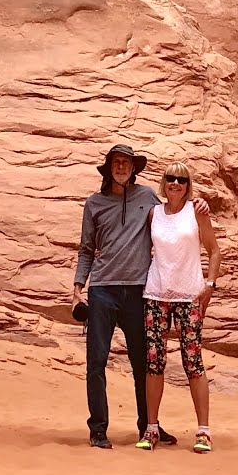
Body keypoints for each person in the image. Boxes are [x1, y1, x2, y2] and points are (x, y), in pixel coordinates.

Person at [73, 143, 206, 449]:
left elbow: (174, 211)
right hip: (103, 290)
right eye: (116, 162)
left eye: (127, 163)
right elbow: (86, 249)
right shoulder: (94, 204)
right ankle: (98, 429)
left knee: (144, 364)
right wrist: (78, 285)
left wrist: (199, 206)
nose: (121, 167)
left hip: (138, 291)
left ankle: (149, 428)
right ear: (109, 168)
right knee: (96, 361)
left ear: (134, 169)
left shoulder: (147, 197)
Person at [135, 161, 220, 455]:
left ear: (188, 185)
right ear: (164, 182)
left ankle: (204, 431)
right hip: (157, 294)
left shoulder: (197, 212)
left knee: (192, 361)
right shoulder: (153, 213)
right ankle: (152, 427)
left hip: (188, 295)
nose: (175, 184)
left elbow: (214, 250)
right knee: (154, 360)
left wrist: (209, 284)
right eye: (170, 178)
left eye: (181, 179)